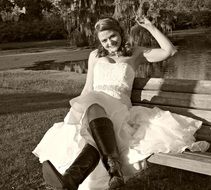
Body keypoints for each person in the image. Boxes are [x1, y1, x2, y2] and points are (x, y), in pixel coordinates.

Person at [33, 16, 209, 190]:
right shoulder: (94, 55)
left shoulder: (135, 53)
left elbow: (169, 51)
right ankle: (113, 173)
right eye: (104, 40)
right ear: (99, 41)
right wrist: (76, 110)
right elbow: (88, 88)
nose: (109, 42)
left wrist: (150, 27)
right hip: (94, 107)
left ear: (120, 32)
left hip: (119, 108)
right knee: (94, 108)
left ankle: (71, 180)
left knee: (96, 125)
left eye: (112, 36)